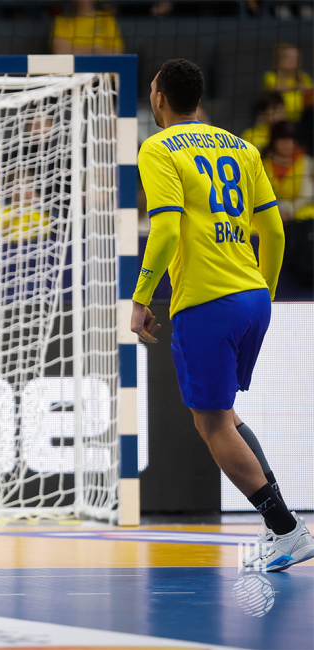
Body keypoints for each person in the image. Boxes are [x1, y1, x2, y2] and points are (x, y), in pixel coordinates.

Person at [132, 59, 313, 572]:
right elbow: (274, 233)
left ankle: (287, 530)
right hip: (254, 296)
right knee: (225, 416)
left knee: (212, 425)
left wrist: (141, 298)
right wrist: (263, 294)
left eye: (152, 91)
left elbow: (164, 231)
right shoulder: (242, 146)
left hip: (207, 302)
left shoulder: (158, 147)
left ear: (160, 99)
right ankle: (281, 526)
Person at [261, 121, 314, 222]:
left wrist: (287, 209)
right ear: (274, 141)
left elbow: (307, 196)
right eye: (282, 139)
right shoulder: (264, 164)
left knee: (308, 214)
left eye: (291, 139)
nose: (287, 143)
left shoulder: (307, 162)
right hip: (271, 213)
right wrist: (278, 210)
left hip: (299, 212)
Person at [51, 0, 124, 56]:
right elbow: (60, 52)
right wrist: (95, 49)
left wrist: (76, 50)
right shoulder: (62, 20)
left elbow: (117, 53)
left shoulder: (107, 19)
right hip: (72, 71)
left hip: (102, 69)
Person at [263, 43, 313, 124]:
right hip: (278, 122)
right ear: (279, 60)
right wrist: (299, 87)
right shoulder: (271, 76)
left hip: (303, 120)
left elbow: (310, 91)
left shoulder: (304, 77)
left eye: (297, 58)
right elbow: (275, 89)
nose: (294, 61)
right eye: (289, 58)